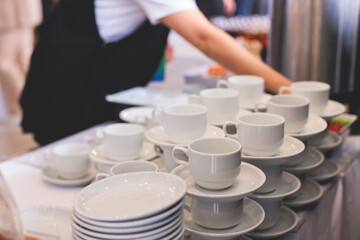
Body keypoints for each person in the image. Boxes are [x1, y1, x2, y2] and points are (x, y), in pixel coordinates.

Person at [20, 0, 292, 145]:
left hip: (78, 56)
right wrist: (286, 87)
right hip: (71, 74)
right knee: (62, 150)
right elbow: (204, 38)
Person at [0, 0, 42, 122]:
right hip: (18, 13)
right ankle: (33, 106)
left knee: (5, 64)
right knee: (24, 61)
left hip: (12, 13)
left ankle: (25, 108)